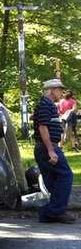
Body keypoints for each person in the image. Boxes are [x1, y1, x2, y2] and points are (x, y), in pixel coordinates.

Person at [32, 79, 76, 224]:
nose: (62, 93)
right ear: (52, 90)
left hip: (44, 147)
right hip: (47, 148)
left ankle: (47, 214)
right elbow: (43, 127)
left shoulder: (47, 105)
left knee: (52, 180)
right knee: (66, 175)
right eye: (59, 90)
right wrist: (51, 150)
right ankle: (55, 211)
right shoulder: (45, 104)